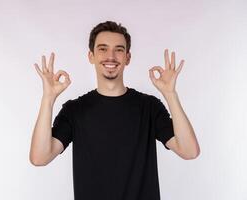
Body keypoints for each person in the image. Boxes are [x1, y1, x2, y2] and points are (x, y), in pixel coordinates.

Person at [29, 21, 200, 200]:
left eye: (118, 49)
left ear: (127, 57)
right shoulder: (75, 110)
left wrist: (170, 94)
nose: (110, 56)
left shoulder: (149, 107)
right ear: (91, 56)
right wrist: (48, 98)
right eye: (103, 49)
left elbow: (189, 151)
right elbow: (40, 158)